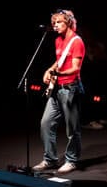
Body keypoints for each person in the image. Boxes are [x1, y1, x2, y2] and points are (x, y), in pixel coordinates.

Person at [33, 9, 86, 174]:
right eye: (53, 23)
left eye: (58, 22)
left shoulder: (77, 42)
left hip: (71, 88)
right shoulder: (58, 40)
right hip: (57, 88)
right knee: (46, 123)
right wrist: (49, 70)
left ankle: (71, 161)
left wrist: (59, 73)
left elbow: (75, 68)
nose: (55, 26)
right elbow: (59, 61)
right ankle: (50, 159)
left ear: (68, 22)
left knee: (72, 128)